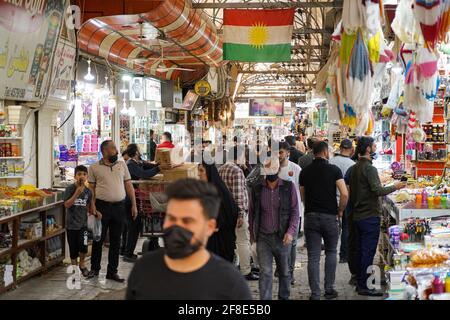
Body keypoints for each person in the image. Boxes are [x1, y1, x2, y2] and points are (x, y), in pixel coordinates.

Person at [126, 179, 252, 300]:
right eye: (172, 218)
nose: (177, 227)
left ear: (210, 227)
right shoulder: (144, 270)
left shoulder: (231, 283)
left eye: (187, 221)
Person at [349, 136, 406, 296]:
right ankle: (365, 286)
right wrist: (396, 186)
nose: (375, 147)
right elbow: (377, 190)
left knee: (362, 250)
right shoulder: (369, 168)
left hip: (358, 215)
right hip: (369, 216)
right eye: (374, 145)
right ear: (368, 149)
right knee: (367, 252)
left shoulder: (355, 168)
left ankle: (361, 281)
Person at [299, 141, 349, 300]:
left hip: (311, 217)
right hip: (330, 216)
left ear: (313, 153)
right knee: (331, 252)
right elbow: (345, 193)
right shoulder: (334, 170)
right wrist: (340, 210)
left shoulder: (304, 172)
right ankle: (329, 289)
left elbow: (302, 195)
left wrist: (310, 206)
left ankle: (315, 294)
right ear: (326, 152)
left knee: (313, 256)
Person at [249, 156, 300, 300]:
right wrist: (253, 238)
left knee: (284, 272)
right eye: (268, 169)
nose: (271, 172)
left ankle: (284, 297)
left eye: (273, 168)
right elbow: (252, 213)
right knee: (265, 272)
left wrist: (290, 232)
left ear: (278, 169)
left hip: (282, 237)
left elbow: (295, 212)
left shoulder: (289, 187)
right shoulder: (257, 189)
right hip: (263, 238)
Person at [87, 140, 138, 282]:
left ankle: (112, 271)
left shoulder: (122, 165)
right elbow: (91, 189)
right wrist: (93, 206)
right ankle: (95, 269)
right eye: (114, 148)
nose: (117, 150)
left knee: (116, 240)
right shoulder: (94, 167)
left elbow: (128, 186)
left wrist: (134, 205)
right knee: (99, 239)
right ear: (105, 151)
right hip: (102, 208)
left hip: (119, 207)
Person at [219, 145, 258, 281]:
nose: (245, 159)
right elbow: (238, 194)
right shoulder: (236, 170)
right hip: (236, 212)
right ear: (239, 156)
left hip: (225, 211)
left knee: (233, 241)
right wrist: (241, 213)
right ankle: (245, 270)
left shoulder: (222, 168)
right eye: (244, 156)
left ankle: (236, 266)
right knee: (243, 241)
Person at [121, 144, 160, 263]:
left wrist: (159, 164)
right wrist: (158, 169)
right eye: (139, 149)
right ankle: (127, 254)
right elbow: (144, 174)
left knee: (132, 226)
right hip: (129, 200)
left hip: (134, 198)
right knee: (133, 226)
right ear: (136, 152)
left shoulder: (137, 162)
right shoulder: (131, 165)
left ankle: (125, 251)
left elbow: (148, 166)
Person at [198, 161, 238, 262]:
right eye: (198, 170)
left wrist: (217, 224)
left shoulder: (218, 190)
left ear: (209, 172)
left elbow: (230, 212)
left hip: (221, 239)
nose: (199, 174)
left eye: (201, 170)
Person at [64, 165, 96, 278]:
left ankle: (82, 264)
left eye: (84, 174)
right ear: (74, 176)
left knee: (83, 247)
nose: (81, 176)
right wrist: (76, 193)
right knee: (73, 249)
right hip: (71, 225)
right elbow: (67, 204)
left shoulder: (88, 191)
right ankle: (75, 269)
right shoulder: (70, 189)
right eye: (79, 174)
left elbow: (91, 207)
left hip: (83, 225)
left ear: (87, 176)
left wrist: (96, 212)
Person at [277, 141, 302, 285]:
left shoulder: (296, 168)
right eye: (275, 152)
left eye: (280, 152)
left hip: (293, 211)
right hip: (275, 212)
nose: (278, 155)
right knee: (279, 242)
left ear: (287, 153)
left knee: (291, 243)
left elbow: (300, 190)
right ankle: (282, 269)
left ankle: (289, 273)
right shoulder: (269, 168)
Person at [329, 139, 355, 264]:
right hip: (346, 199)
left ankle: (331, 252)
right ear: (351, 150)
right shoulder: (352, 164)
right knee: (346, 228)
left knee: (331, 228)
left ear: (340, 149)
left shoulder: (331, 161)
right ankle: (344, 255)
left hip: (331, 199)